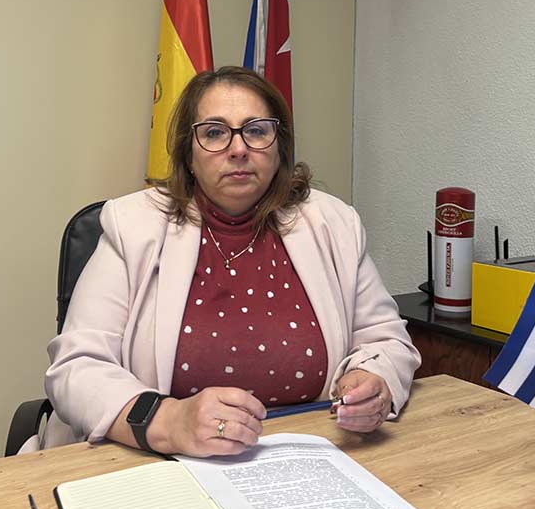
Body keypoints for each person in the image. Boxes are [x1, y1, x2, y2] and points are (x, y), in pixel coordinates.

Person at [28, 66, 420, 457]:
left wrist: (373, 378)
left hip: (305, 455)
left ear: (279, 148)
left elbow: (386, 339)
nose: (238, 149)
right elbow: (76, 367)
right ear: (189, 154)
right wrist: (168, 422)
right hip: (152, 461)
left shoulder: (333, 223)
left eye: (256, 130)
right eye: (214, 133)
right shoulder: (132, 226)